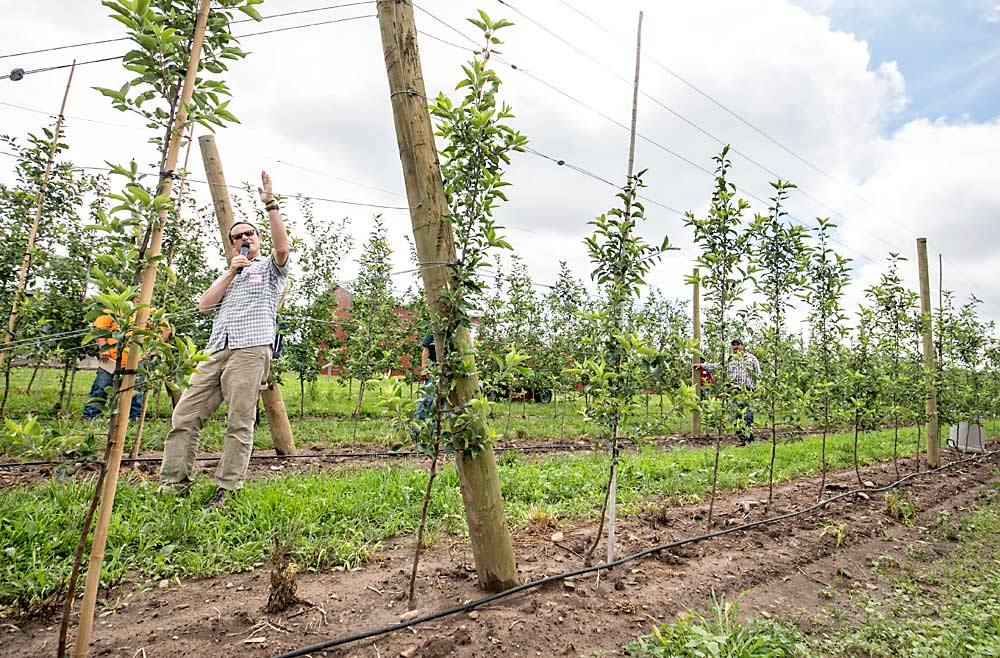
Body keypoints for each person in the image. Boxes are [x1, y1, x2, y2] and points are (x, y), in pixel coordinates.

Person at [159, 171, 290, 507]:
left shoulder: (269, 269)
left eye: (248, 234)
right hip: (216, 350)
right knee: (185, 415)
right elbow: (204, 306)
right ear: (231, 244)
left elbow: (282, 248)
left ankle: (227, 489)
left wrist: (271, 204)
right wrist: (232, 270)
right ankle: (173, 483)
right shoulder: (230, 273)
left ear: (257, 238)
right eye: (237, 236)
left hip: (249, 351)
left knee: (239, 420)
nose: (243, 238)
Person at [698, 338, 760, 445]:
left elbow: (758, 374)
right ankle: (741, 439)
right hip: (733, 390)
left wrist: (758, 390)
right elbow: (717, 365)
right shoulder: (730, 359)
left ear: (742, 346)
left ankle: (749, 438)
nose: (735, 347)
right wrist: (703, 366)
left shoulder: (751, 358)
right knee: (737, 415)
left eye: (737, 344)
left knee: (748, 414)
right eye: (733, 345)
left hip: (748, 390)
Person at [83, 313, 144, 421]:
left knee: (136, 389)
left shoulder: (148, 312)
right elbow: (99, 327)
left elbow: (165, 328)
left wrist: (152, 348)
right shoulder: (113, 310)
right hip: (111, 359)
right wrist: (103, 347)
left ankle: (133, 417)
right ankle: (91, 415)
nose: (139, 296)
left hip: (137, 359)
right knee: (102, 386)